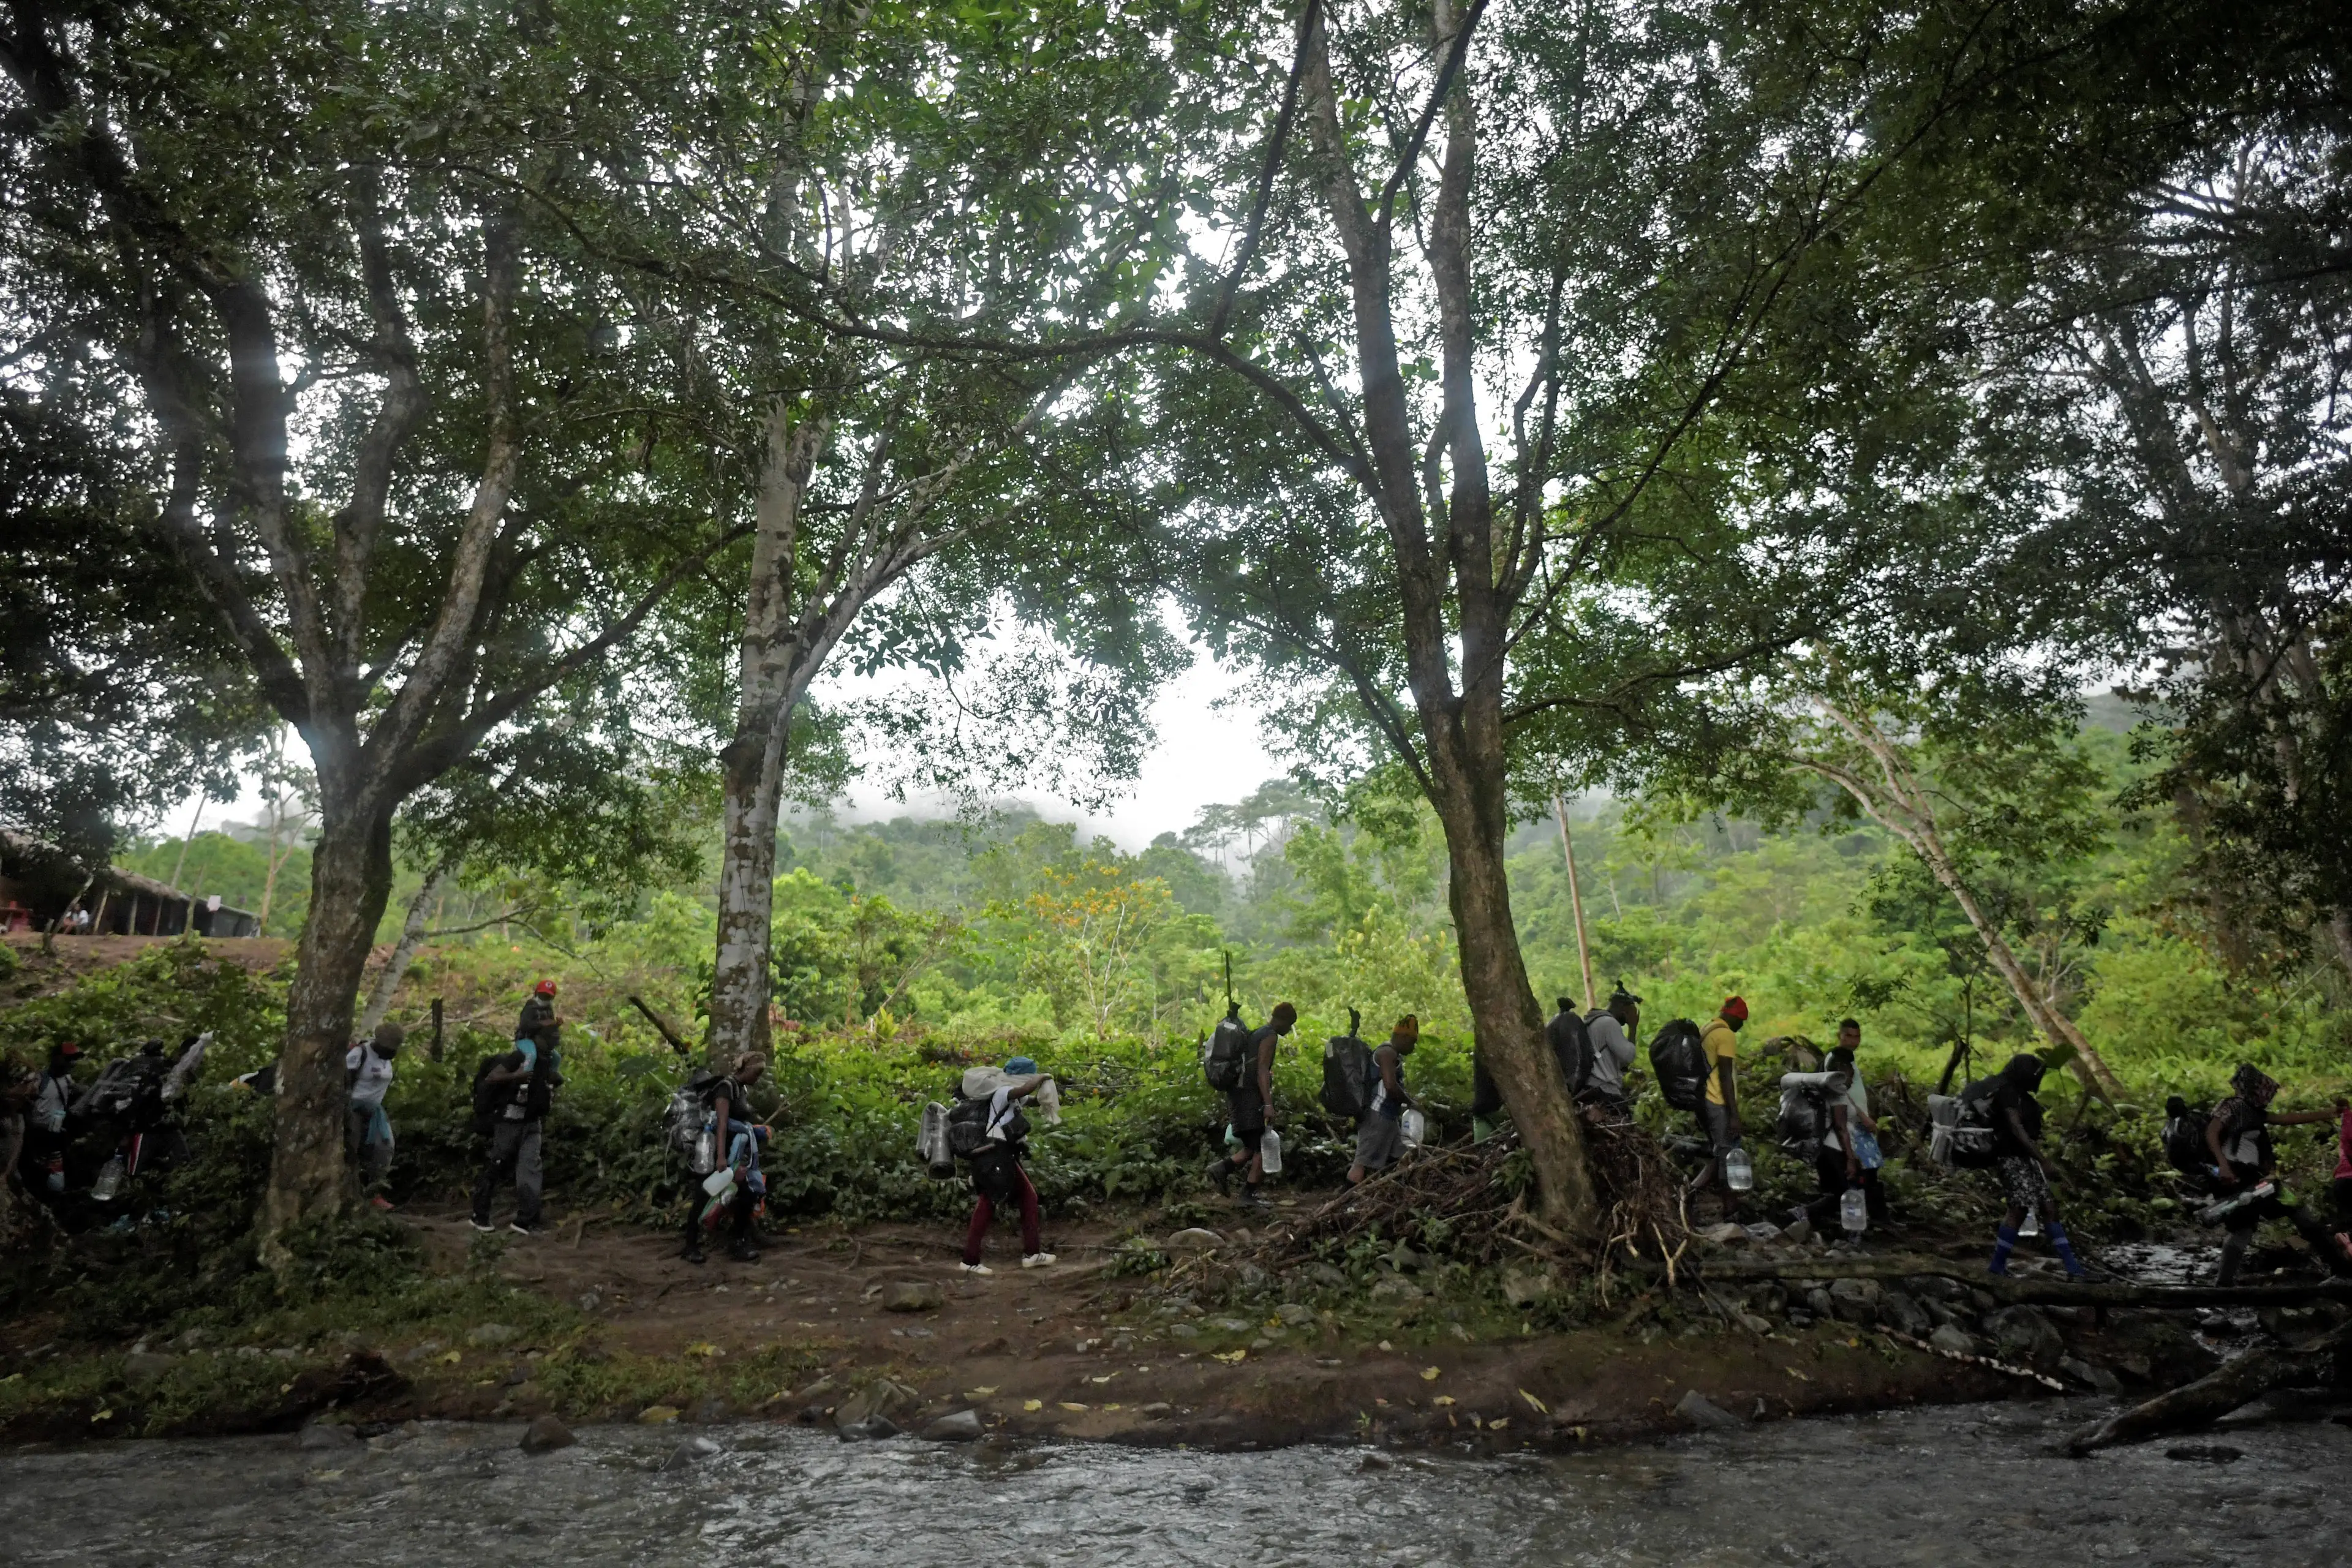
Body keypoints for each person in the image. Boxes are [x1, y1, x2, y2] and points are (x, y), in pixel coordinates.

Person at [2201, 1063, 2350, 1284]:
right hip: (2237, 1178)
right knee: (2243, 1229)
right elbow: (2211, 1133)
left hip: (2259, 1180)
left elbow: (2288, 1119)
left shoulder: (2256, 1113)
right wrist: (2223, 1166)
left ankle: (2342, 1271)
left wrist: (2330, 1113)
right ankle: (2223, 1285)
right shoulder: (2230, 1106)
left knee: (2300, 1214)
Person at [1976, 1053, 2087, 1279]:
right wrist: (2043, 1160)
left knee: (2049, 1208)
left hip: (2027, 1158)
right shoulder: (2006, 1091)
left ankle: (2073, 1267)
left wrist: (2039, 1159)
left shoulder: (2021, 1095)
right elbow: (2016, 1128)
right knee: (2018, 1209)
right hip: (2011, 1157)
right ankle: (1997, 1267)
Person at [961, 1057, 1054, 1275]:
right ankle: (969, 1261)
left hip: (1004, 1156)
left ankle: (1032, 1254)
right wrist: (1041, 1078)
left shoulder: (1011, 1095)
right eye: (1029, 1075)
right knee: (988, 1203)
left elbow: (1029, 1099)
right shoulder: (1003, 1092)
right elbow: (1023, 1091)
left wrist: (1049, 1095)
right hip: (993, 1156)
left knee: (1028, 1197)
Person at [1793, 1022, 1888, 1233]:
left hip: (1855, 1129)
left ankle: (1878, 1219)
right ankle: (1813, 1215)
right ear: (1841, 1036)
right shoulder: (1836, 1062)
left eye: (1857, 1036)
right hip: (1841, 1133)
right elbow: (1840, 1115)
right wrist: (1850, 1155)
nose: (1854, 1041)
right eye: (1850, 1036)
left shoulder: (1848, 1061)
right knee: (1848, 1186)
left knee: (1869, 1176)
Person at [471, 1022, 560, 1237]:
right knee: (497, 1166)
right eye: (551, 1035)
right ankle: (479, 1214)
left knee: (531, 1169)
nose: (556, 1038)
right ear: (537, 1038)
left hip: (532, 1123)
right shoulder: (519, 1057)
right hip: (509, 1122)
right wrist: (516, 1077)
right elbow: (492, 1078)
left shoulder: (548, 1059)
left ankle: (526, 1221)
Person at [682, 1054, 769, 1265]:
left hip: (734, 1154)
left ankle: (737, 1241)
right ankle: (690, 1246)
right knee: (703, 1196)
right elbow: (721, 1125)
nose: (758, 1078)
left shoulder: (742, 1089)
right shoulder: (726, 1087)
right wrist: (720, 1158)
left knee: (748, 1195)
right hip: (712, 1153)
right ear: (745, 1070)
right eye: (756, 1073)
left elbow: (737, 1122)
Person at [1208, 1001, 1295, 1206]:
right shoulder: (1270, 1036)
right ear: (1282, 1020)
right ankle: (1248, 1196)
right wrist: (1268, 1104)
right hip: (1250, 1097)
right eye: (1290, 1024)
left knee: (1252, 1146)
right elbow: (1262, 1072)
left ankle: (1220, 1170)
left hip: (1239, 1094)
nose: (1289, 1030)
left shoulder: (1257, 1033)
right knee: (1261, 1149)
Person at [1687, 997, 1747, 1212]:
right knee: (1727, 1156)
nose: (1741, 1027)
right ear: (1735, 1017)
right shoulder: (1726, 1034)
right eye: (1742, 1021)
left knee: (1721, 1150)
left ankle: (1691, 1191)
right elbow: (1725, 1076)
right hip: (1717, 1102)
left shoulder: (1708, 1028)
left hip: (1702, 1100)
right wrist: (1733, 1115)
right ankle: (1730, 1209)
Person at [1346, 1017, 1418, 1185]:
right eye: (1413, 1042)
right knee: (1361, 1164)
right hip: (1376, 1114)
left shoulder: (1392, 1054)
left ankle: (1399, 1193)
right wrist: (1411, 1102)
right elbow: (1390, 1086)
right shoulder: (1387, 1053)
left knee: (1402, 1156)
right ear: (1404, 1038)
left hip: (1388, 1117)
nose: (1413, 1048)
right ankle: (1343, 1201)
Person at [344, 1022, 401, 1210]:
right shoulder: (360, 1054)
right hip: (355, 1108)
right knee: (352, 1150)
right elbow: (346, 1082)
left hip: (375, 1111)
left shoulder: (387, 1059)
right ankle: (351, 1194)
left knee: (384, 1149)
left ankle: (374, 1193)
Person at [26, 1042, 81, 1200]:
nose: (72, 1063)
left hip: (56, 1133)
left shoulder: (68, 1079)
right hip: (38, 1133)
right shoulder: (38, 1079)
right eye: (68, 1059)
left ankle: (53, 1199)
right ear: (56, 1058)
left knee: (55, 1169)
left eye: (74, 1060)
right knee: (36, 1168)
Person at [1581, 982, 1642, 1112]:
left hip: (1591, 1087)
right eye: (1629, 1010)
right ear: (1622, 1007)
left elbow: (1621, 1062)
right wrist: (1633, 1027)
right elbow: (1629, 1056)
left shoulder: (1595, 1020)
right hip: (1604, 1090)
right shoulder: (1609, 1023)